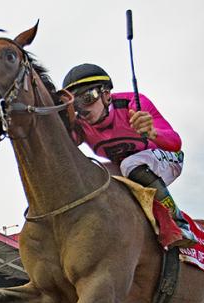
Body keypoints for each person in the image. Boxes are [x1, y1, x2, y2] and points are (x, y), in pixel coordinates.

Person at [62, 63, 196, 248]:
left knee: (129, 164)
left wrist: (152, 133)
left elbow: (175, 143)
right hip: (129, 166)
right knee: (95, 175)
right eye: (75, 104)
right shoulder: (81, 124)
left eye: (88, 97)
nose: (82, 110)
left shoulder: (133, 103)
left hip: (166, 157)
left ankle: (179, 224)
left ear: (106, 94)